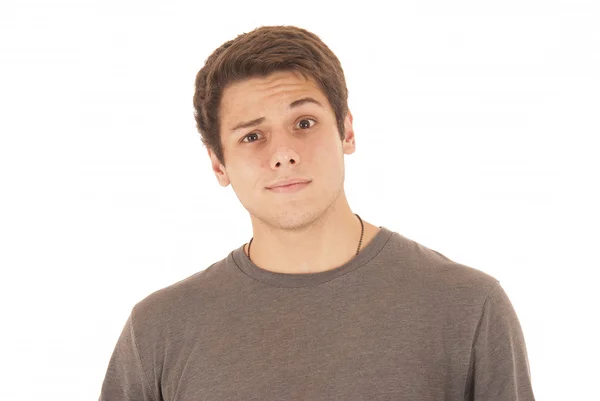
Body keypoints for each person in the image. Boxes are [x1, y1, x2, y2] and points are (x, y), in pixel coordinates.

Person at [99, 25, 536, 400]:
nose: (284, 153)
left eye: (304, 123)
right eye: (253, 136)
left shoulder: (468, 307)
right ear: (218, 163)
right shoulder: (158, 331)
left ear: (346, 130)